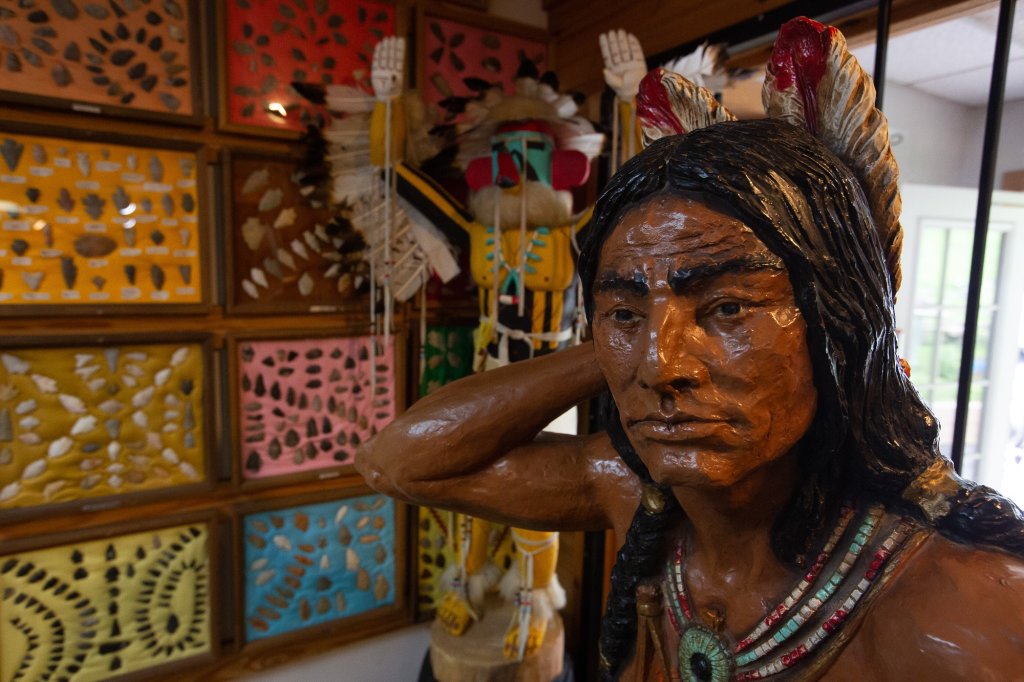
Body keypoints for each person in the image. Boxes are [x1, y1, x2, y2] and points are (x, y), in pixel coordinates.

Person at [357, 18, 1024, 681]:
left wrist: (633, 324)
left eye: (727, 308)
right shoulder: (637, 492)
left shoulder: (958, 617)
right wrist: (614, 341)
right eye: (624, 312)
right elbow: (399, 463)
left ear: (837, 324)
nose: (660, 365)